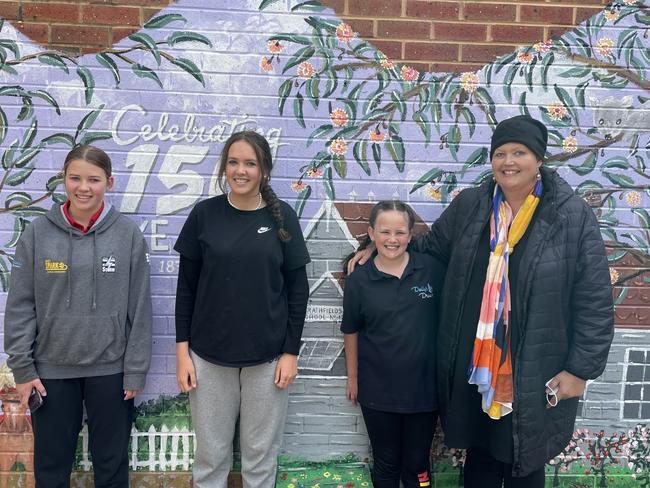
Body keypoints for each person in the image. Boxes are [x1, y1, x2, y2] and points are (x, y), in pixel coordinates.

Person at [349, 115, 614, 487]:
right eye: (500, 153)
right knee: (482, 455)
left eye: (519, 152)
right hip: (477, 364)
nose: (509, 161)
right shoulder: (473, 205)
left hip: (536, 364)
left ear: (539, 159)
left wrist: (580, 369)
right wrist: (374, 250)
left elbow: (594, 297)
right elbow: (430, 247)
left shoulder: (570, 215)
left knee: (525, 458)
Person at [4, 145, 152, 488]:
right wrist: (23, 370)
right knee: (51, 468)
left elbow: (140, 309)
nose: (84, 187)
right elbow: (21, 306)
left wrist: (135, 370)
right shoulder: (38, 233)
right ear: (64, 180)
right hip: (51, 371)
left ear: (109, 182)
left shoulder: (127, 235)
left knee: (112, 467)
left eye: (93, 179)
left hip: (111, 371)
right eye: (75, 178)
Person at [174, 130, 310, 488]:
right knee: (210, 455)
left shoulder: (284, 219)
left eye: (250, 163)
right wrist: (182, 353)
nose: (241, 170)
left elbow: (299, 291)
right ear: (224, 167)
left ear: (264, 169)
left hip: (267, 359)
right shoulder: (205, 214)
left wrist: (290, 353)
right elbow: (185, 289)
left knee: (260, 456)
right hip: (207, 356)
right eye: (233, 162)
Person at [341, 201, 444, 488]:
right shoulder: (359, 279)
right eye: (385, 232)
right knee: (386, 462)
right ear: (372, 233)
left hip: (424, 389)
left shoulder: (432, 270)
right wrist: (353, 377)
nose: (392, 239)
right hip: (378, 389)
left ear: (411, 236)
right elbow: (351, 330)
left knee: (418, 464)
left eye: (400, 232)